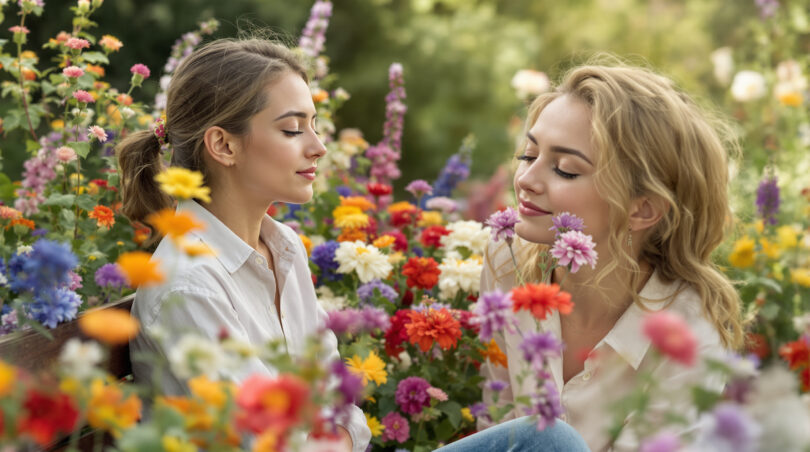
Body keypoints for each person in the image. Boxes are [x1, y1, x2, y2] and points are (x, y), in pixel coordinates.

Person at [440, 62, 744, 451]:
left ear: (642, 210)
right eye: (528, 155)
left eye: (564, 170)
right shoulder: (506, 258)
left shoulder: (687, 335)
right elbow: (500, 424)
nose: (526, 180)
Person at [117, 38, 371, 452]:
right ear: (223, 145)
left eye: (313, 124)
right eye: (292, 129)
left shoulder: (284, 246)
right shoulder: (190, 285)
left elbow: (340, 401)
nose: (318, 147)